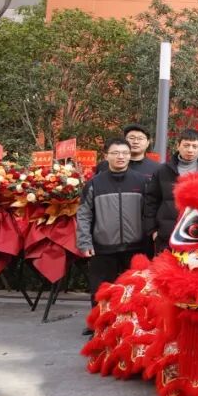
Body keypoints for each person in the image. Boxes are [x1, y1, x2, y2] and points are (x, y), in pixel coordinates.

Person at [76, 138, 149, 336]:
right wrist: (84, 242)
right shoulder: (95, 183)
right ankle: (99, 327)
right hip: (103, 245)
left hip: (135, 246)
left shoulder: (141, 181)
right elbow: (84, 214)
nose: (120, 157)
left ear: (130, 156)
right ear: (106, 155)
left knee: (133, 290)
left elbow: (148, 212)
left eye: (124, 153)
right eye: (115, 153)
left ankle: (130, 329)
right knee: (101, 290)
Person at [143, 129, 198, 255]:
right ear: (178, 146)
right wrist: (153, 230)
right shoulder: (163, 170)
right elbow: (151, 200)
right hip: (167, 233)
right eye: (186, 145)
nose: (190, 150)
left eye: (195, 146)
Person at [96, 124, 161, 178]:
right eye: (131, 138)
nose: (135, 142)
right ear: (124, 140)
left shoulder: (157, 168)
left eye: (140, 138)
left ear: (147, 143)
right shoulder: (105, 165)